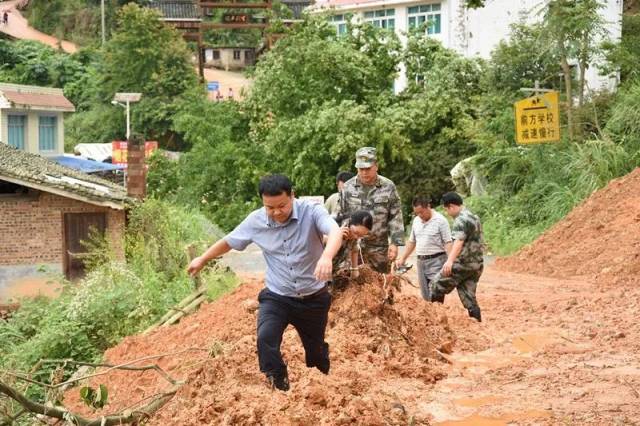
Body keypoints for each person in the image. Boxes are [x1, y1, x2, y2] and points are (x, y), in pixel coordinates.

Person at [187, 174, 343, 391]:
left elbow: (334, 231)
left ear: (292, 196)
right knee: (265, 338)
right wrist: (203, 258)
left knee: (316, 353)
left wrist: (326, 257)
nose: (276, 212)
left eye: (282, 206)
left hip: (313, 298)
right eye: (270, 208)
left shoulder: (311, 211)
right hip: (277, 296)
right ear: (262, 202)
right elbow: (229, 241)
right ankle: (278, 383)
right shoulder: (256, 220)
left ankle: (321, 389)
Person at [335, 147, 404, 273]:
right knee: (351, 286)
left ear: (376, 166)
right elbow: (339, 216)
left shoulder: (388, 186)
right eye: (361, 169)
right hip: (352, 248)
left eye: (368, 168)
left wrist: (395, 243)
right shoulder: (347, 188)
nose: (364, 172)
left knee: (380, 286)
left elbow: (396, 216)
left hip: (378, 249)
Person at [429, 192, 484, 322]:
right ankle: (477, 324)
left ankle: (435, 320)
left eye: (446, 209)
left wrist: (450, 261)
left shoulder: (461, 219)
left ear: (452, 206)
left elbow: (458, 242)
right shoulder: (473, 217)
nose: (447, 213)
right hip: (476, 264)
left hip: (463, 263)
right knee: (469, 296)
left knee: (436, 285)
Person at [396, 195, 452, 301]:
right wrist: (403, 258)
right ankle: (430, 316)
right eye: (417, 213)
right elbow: (412, 241)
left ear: (428, 206)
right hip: (421, 262)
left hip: (437, 261)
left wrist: (450, 261)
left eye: (421, 212)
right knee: (425, 296)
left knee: (436, 292)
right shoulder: (417, 221)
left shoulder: (441, 221)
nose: (419, 215)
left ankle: (438, 315)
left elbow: (447, 242)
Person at [333, 210, 373, 282]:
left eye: (361, 236)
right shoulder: (332, 224)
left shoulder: (355, 234)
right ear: (350, 222)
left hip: (331, 271)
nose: (356, 237)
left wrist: (354, 269)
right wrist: (335, 235)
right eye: (356, 233)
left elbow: (354, 248)